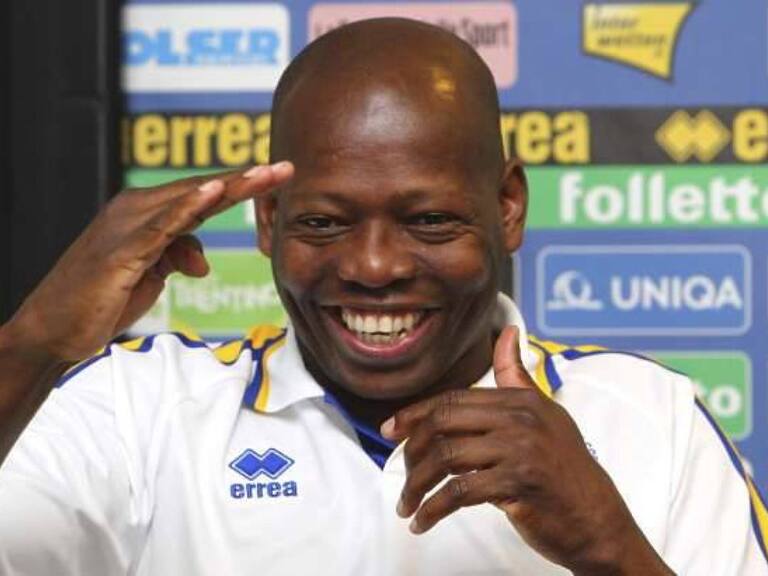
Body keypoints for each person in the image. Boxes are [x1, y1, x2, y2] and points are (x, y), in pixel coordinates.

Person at [0, 17, 765, 576]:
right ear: (268, 221)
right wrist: (30, 347)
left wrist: (611, 551)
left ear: (507, 207)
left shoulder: (650, 420)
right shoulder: (139, 409)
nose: (373, 266)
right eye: (324, 222)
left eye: (428, 220)